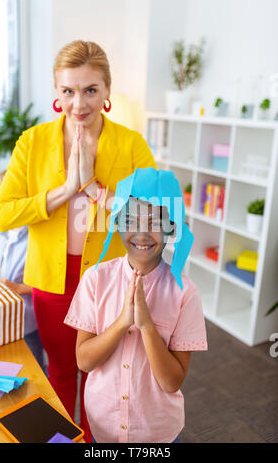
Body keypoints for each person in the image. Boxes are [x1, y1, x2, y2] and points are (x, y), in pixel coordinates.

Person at [0, 40, 157, 442]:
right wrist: (66, 189)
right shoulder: (32, 143)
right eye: (67, 91)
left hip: (110, 282)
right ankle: (67, 438)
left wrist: (96, 189)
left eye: (89, 90)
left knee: (101, 375)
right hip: (52, 280)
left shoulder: (130, 143)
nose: (78, 103)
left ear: (106, 92)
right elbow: (4, 213)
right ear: (56, 92)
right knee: (61, 371)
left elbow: (155, 216)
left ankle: (95, 441)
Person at [64, 168, 208, 443]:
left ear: (172, 227)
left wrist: (146, 325)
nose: (141, 234)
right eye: (130, 220)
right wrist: (122, 322)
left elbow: (171, 382)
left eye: (155, 222)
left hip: (157, 433)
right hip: (102, 427)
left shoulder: (185, 294)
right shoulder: (95, 279)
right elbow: (84, 361)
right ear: (117, 221)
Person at [0, 171, 44, 368]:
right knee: (9, 364)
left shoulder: (37, 234)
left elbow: (46, 286)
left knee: (34, 367)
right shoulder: (2, 228)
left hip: (27, 318)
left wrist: (14, 287)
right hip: (2, 313)